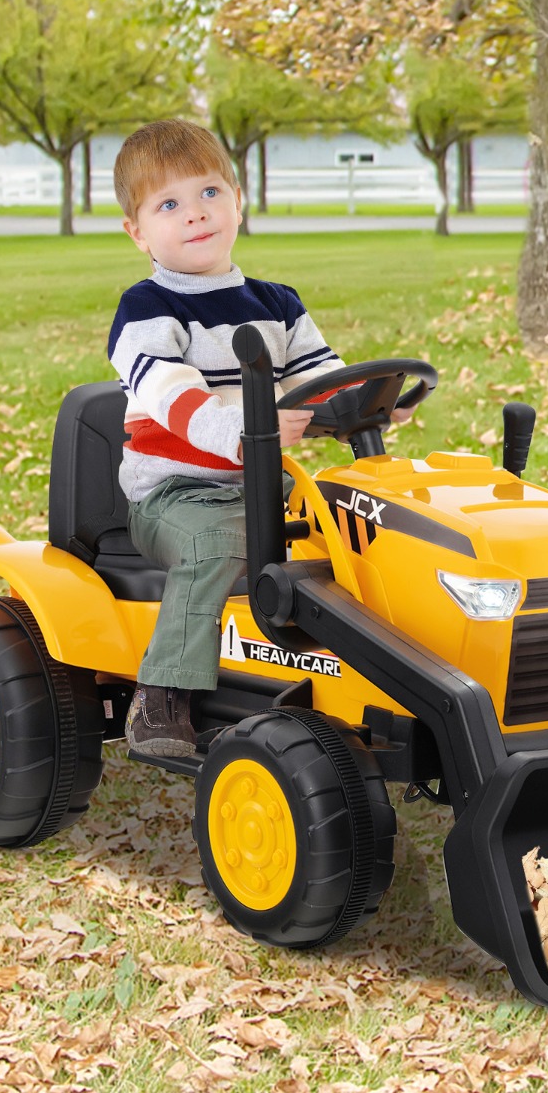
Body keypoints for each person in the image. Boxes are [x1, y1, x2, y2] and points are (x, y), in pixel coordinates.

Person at [108, 118, 344, 757]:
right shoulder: (146, 312)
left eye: (209, 192)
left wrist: (362, 401)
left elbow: (320, 375)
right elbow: (176, 399)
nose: (195, 215)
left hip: (266, 488)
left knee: (357, 539)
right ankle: (162, 700)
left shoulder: (278, 303)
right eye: (169, 204)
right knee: (218, 545)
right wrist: (249, 432)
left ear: (238, 198)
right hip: (176, 496)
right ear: (138, 232)